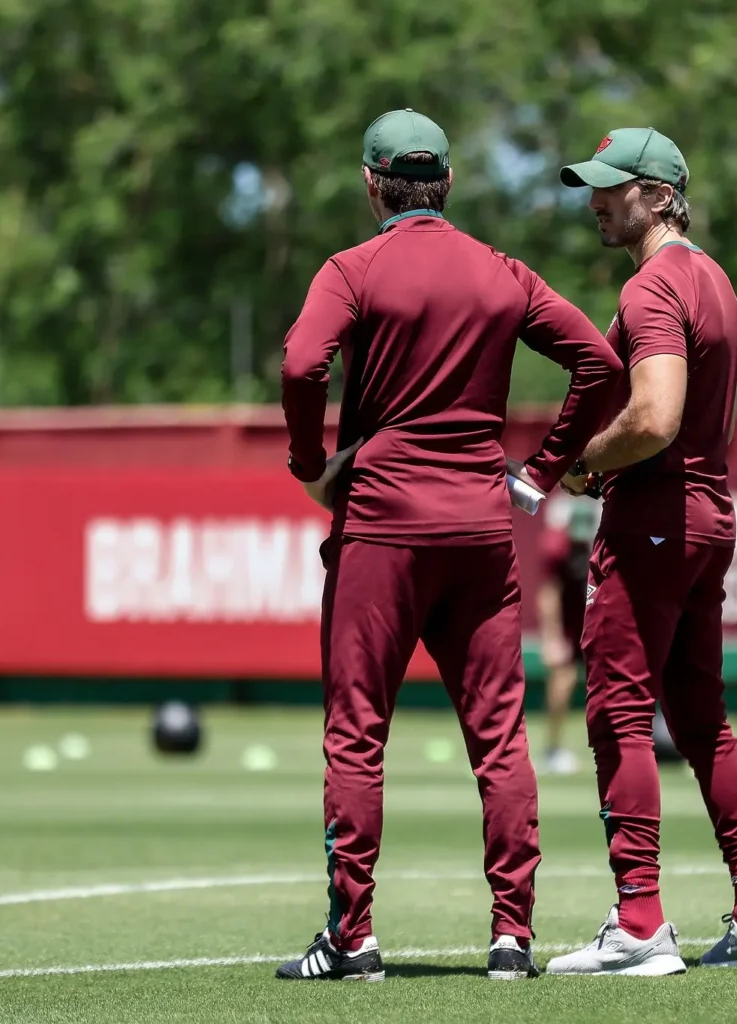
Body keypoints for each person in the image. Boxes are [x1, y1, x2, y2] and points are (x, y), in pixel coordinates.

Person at [277, 109, 621, 983]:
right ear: (449, 183)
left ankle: (352, 941)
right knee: (500, 736)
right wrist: (542, 469)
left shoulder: (352, 270)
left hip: (382, 528)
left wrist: (312, 462)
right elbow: (600, 364)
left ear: (370, 183)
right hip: (478, 527)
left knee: (357, 734)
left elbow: (299, 367)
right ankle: (513, 938)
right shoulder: (499, 271)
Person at [545, 128, 737, 976]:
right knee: (698, 718)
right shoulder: (716, 280)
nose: (597, 202)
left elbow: (654, 417)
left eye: (613, 188)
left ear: (660, 195)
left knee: (617, 709)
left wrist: (583, 464)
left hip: (655, 513)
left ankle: (641, 923)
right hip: (708, 513)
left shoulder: (654, 286)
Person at [536, 491, 600, 775]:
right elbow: (549, 593)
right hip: (568, 624)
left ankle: (621, 744)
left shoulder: (602, 544)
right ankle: (552, 749)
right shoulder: (557, 547)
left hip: (598, 621)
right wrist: (551, 638)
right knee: (563, 679)